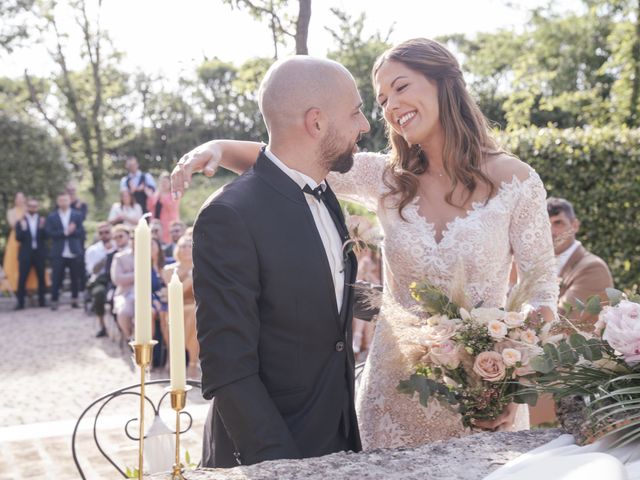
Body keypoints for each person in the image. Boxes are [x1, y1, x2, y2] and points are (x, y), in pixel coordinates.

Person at [171, 39, 559, 450]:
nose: (390, 106)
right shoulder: (386, 178)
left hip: (484, 391)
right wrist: (215, 148)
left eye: (401, 87)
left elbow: (541, 289)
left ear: (445, 82)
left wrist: (511, 376)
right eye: (381, 98)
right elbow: (287, 160)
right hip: (392, 395)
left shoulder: (516, 181)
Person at [191, 56, 370, 467]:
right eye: (356, 112)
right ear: (317, 122)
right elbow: (227, 367)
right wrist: (281, 466)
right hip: (270, 453)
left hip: (338, 442)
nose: (364, 125)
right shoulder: (230, 215)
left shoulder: (325, 195)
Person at [548, 197, 613, 328]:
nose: (551, 232)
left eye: (558, 223)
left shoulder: (593, 268)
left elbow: (561, 323)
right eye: (545, 224)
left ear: (575, 225)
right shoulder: (536, 265)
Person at [162, 234, 198, 377]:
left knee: (195, 315)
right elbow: (176, 293)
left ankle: (193, 362)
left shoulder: (201, 268)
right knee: (183, 315)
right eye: (183, 246)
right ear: (178, 249)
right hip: (175, 306)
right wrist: (190, 277)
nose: (186, 249)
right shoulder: (169, 270)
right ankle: (179, 359)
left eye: (190, 246)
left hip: (195, 306)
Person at [46, 192, 85, 311]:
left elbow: (81, 232)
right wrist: (64, 232)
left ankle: (75, 300)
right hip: (59, 251)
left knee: (75, 277)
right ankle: (54, 300)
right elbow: (49, 233)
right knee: (57, 277)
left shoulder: (77, 215)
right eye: (61, 200)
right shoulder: (52, 217)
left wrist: (72, 231)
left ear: (69, 201)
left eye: (65, 200)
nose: (63, 202)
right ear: (58, 202)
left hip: (73, 250)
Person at [14, 197, 48, 310]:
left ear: (37, 207)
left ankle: (42, 301)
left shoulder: (42, 220)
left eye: (35, 206)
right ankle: (20, 303)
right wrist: (23, 228)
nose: (32, 208)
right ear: (27, 207)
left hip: (39, 253)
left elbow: (46, 237)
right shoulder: (21, 220)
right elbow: (18, 238)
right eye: (30, 206)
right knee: (22, 278)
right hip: (26, 254)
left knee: (41, 277)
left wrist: (43, 227)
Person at [3, 192, 38, 296]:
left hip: (28, 240)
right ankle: (14, 287)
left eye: (22, 198)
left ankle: (31, 288)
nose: (20, 200)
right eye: (18, 198)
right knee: (14, 263)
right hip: (15, 239)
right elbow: (13, 224)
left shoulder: (29, 210)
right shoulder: (11, 211)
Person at [85, 222, 114, 337]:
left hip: (116, 277)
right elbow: (93, 271)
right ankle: (102, 325)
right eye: (101, 233)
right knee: (98, 293)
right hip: (100, 279)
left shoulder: (119, 245)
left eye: (107, 232)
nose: (104, 235)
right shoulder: (92, 250)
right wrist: (107, 256)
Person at [110, 228, 134, 340]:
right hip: (125, 292)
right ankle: (130, 337)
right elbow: (117, 278)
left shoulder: (149, 253)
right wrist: (138, 275)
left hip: (148, 292)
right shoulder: (120, 257)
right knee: (123, 311)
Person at [147, 171, 180, 244]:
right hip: (156, 223)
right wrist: (149, 196)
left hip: (169, 224)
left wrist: (162, 197)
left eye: (165, 182)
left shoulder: (174, 194)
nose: (163, 184)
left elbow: (171, 207)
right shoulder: (156, 194)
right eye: (162, 182)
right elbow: (149, 207)